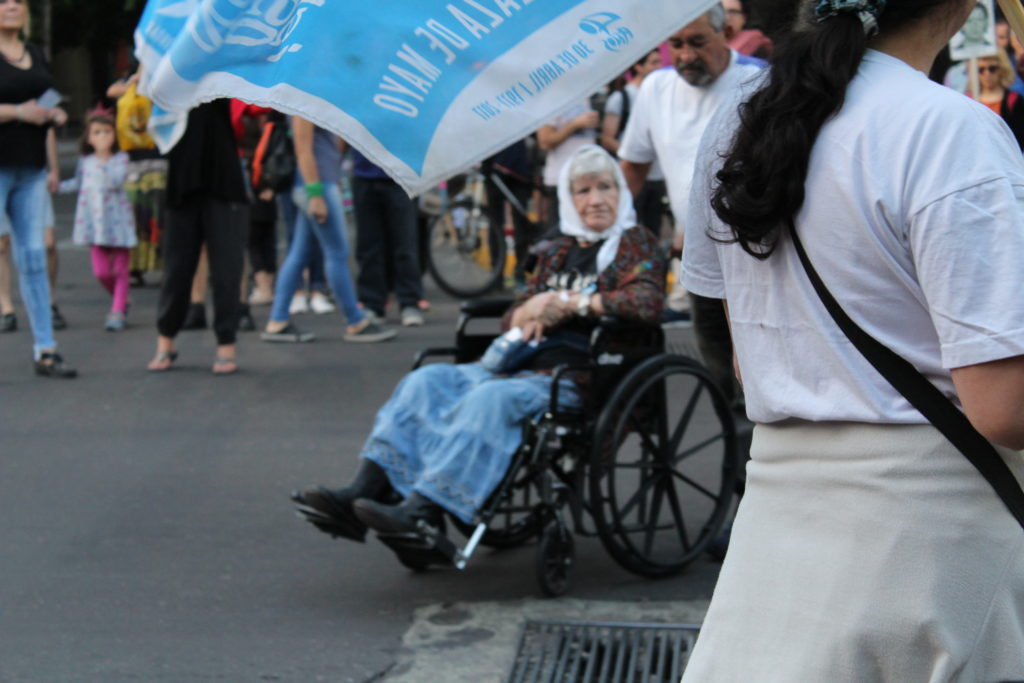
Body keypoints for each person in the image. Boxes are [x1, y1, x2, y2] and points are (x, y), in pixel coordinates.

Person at [681, 0, 1024, 676]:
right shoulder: (952, 131)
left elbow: (733, 346)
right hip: (935, 555)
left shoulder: (736, 121)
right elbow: (1006, 407)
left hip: (778, 543)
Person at [291, 145, 664, 552]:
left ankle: (422, 512)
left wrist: (573, 304)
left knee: (491, 399)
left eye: (605, 187)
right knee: (426, 382)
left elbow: (646, 303)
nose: (595, 199)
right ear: (568, 198)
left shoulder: (635, 243)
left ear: (620, 192)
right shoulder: (556, 247)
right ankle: (361, 491)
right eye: (583, 190)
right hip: (515, 361)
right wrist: (529, 311)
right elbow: (511, 316)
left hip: (579, 375)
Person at [618, 4, 763, 398]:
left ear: (725, 33)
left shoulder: (756, 81)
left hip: (758, 256)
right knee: (717, 364)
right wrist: (617, 235)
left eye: (697, 42)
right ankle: (736, 448)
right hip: (699, 256)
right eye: (676, 44)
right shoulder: (656, 88)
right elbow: (632, 166)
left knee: (761, 365)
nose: (685, 56)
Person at [261, 117, 395, 344]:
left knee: (300, 253)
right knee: (336, 252)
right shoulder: (302, 99)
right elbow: (303, 149)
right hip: (317, 186)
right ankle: (355, 321)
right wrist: (315, 194)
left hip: (318, 184)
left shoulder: (310, 96)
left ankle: (278, 320)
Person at [0, 0, 75, 377]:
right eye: (3, 1)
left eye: (17, 1)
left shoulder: (33, 52)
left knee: (33, 257)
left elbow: (47, 97)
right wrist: (16, 112)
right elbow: (23, 107)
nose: (11, 5)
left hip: (30, 169)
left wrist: (54, 112)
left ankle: (46, 350)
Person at [147, 99, 249, 375]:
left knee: (227, 267)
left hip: (224, 179)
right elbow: (146, 80)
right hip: (182, 180)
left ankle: (226, 344)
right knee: (177, 268)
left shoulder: (224, 64)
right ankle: (165, 341)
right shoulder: (173, 66)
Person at [58, 112, 136, 331]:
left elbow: (114, 181)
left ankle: (118, 310)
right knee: (101, 272)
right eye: (97, 133)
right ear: (89, 138)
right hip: (94, 224)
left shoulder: (120, 160)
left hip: (118, 222)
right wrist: (56, 187)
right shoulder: (85, 162)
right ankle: (121, 299)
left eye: (107, 132)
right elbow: (78, 183)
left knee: (121, 270)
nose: (102, 136)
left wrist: (104, 156)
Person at [351, 149, 425, 327]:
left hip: (402, 177)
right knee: (369, 245)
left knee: (405, 244)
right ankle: (373, 303)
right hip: (364, 176)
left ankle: (409, 302)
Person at [600, 49, 669, 240]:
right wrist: (637, 153)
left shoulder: (663, 94)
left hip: (658, 176)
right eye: (653, 62)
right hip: (634, 175)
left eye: (659, 62)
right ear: (638, 67)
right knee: (630, 231)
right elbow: (607, 138)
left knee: (653, 232)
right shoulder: (621, 98)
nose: (659, 67)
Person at [537, 101, 599, 227]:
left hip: (587, 178)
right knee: (560, 236)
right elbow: (545, 141)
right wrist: (575, 124)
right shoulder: (550, 101)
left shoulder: (584, 97)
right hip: (561, 180)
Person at [974, 49, 1024, 147]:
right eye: (981, 69)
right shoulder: (969, 99)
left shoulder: (1015, 99)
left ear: (1002, 70)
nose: (986, 74)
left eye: (992, 69)